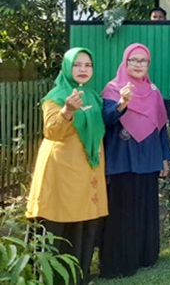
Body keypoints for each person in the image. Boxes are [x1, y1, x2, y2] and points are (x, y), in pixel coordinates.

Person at [26, 48, 107, 283]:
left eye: (87, 65)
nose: (83, 70)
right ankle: (51, 277)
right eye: (77, 65)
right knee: (58, 220)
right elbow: (51, 131)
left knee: (84, 222)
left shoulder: (91, 96)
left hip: (87, 169)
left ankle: (78, 275)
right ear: (67, 67)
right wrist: (67, 110)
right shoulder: (56, 96)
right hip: (61, 170)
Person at [99, 43, 170, 279]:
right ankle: (121, 261)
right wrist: (123, 103)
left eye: (143, 61)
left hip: (149, 158)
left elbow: (161, 126)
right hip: (123, 159)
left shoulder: (153, 91)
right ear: (125, 62)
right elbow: (108, 119)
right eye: (134, 60)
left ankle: (145, 256)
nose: (139, 65)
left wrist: (164, 158)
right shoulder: (112, 89)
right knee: (122, 213)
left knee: (145, 209)